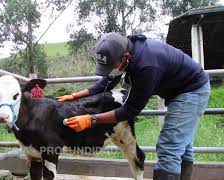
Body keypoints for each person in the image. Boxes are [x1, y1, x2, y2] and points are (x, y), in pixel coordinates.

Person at [56, 32, 210, 180]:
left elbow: (130, 110)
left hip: (191, 91)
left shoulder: (146, 67)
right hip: (178, 89)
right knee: (182, 147)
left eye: (111, 66)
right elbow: (108, 81)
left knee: (169, 147)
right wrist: (78, 95)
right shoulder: (124, 49)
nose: (110, 70)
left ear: (125, 57)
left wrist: (91, 119)